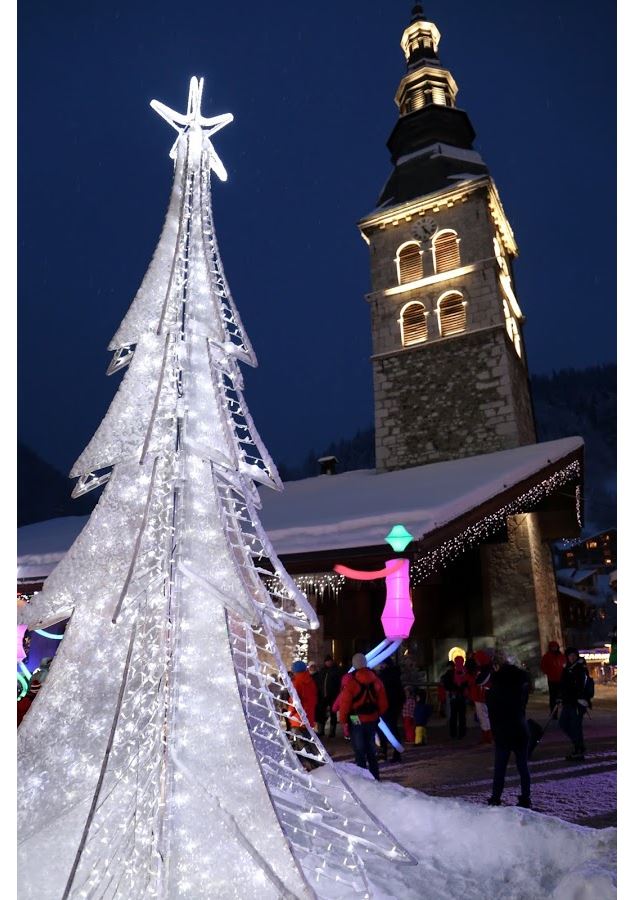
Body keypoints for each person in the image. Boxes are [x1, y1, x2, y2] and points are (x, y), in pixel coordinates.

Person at [485, 652, 532, 808]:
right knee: (522, 765)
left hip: (503, 730)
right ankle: (525, 798)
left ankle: (496, 797)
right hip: (520, 726)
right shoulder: (522, 680)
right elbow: (523, 703)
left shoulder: (496, 684)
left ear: (497, 666)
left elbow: (492, 709)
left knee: (500, 768)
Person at [338, 653, 388, 780]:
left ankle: (363, 779)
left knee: (359, 751)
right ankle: (375, 777)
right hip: (372, 718)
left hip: (356, 719)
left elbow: (345, 704)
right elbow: (383, 703)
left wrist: (343, 720)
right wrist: (377, 714)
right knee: (371, 750)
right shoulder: (376, 680)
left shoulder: (351, 682)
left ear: (354, 665)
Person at [559, 647, 589, 761]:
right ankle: (579, 745)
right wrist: (560, 697)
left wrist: (579, 698)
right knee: (563, 723)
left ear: (576, 656)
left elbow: (580, 686)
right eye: (569, 655)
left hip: (577, 703)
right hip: (568, 702)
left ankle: (578, 750)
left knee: (576, 726)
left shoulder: (580, 668)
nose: (572, 657)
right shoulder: (567, 668)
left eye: (573, 655)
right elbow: (563, 685)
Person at [377, 657, 405, 762]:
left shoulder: (384, 676)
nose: (380, 666)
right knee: (391, 729)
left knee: (385, 730)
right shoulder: (394, 676)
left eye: (382, 663)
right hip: (392, 707)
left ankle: (385, 752)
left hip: (387, 707)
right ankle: (395, 753)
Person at [441, 655, 468, 739]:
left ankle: (453, 733)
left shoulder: (451, 672)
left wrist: (452, 688)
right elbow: (468, 683)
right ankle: (462, 733)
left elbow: (445, 682)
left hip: (453, 696)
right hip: (462, 696)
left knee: (453, 715)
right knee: (462, 716)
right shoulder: (465, 671)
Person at [315, 654, 342, 738]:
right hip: (323, 696)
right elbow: (319, 683)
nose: (328, 663)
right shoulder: (322, 671)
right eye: (327, 661)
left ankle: (332, 731)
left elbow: (338, 683)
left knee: (333, 713)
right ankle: (321, 730)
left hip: (333, 696)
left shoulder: (336, 671)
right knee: (321, 713)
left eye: (329, 661)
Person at [472, 649, 494, 744]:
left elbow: (479, 681)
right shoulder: (486, 668)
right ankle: (487, 736)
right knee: (485, 717)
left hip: (482, 696)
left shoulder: (484, 669)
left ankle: (487, 737)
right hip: (482, 695)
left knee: (484, 717)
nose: (475, 661)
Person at [540, 641, 566, 718]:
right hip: (552, 680)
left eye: (555, 647)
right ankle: (554, 713)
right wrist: (549, 673)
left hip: (561, 679)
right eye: (553, 647)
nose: (554, 648)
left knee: (563, 696)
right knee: (553, 697)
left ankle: (565, 713)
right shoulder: (547, 656)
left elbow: (565, 665)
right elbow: (543, 666)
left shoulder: (561, 656)